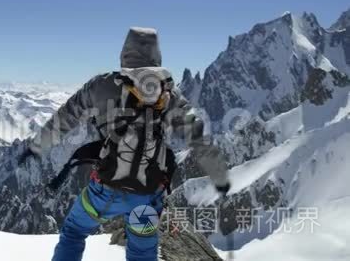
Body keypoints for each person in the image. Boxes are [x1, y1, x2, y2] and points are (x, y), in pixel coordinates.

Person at [26, 27, 231, 261]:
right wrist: (219, 176)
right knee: (142, 252)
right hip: (146, 194)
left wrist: (37, 145)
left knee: (74, 232)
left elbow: (66, 117)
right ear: (157, 56)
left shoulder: (100, 86)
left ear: (124, 53)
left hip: (104, 191)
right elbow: (198, 138)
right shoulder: (170, 96)